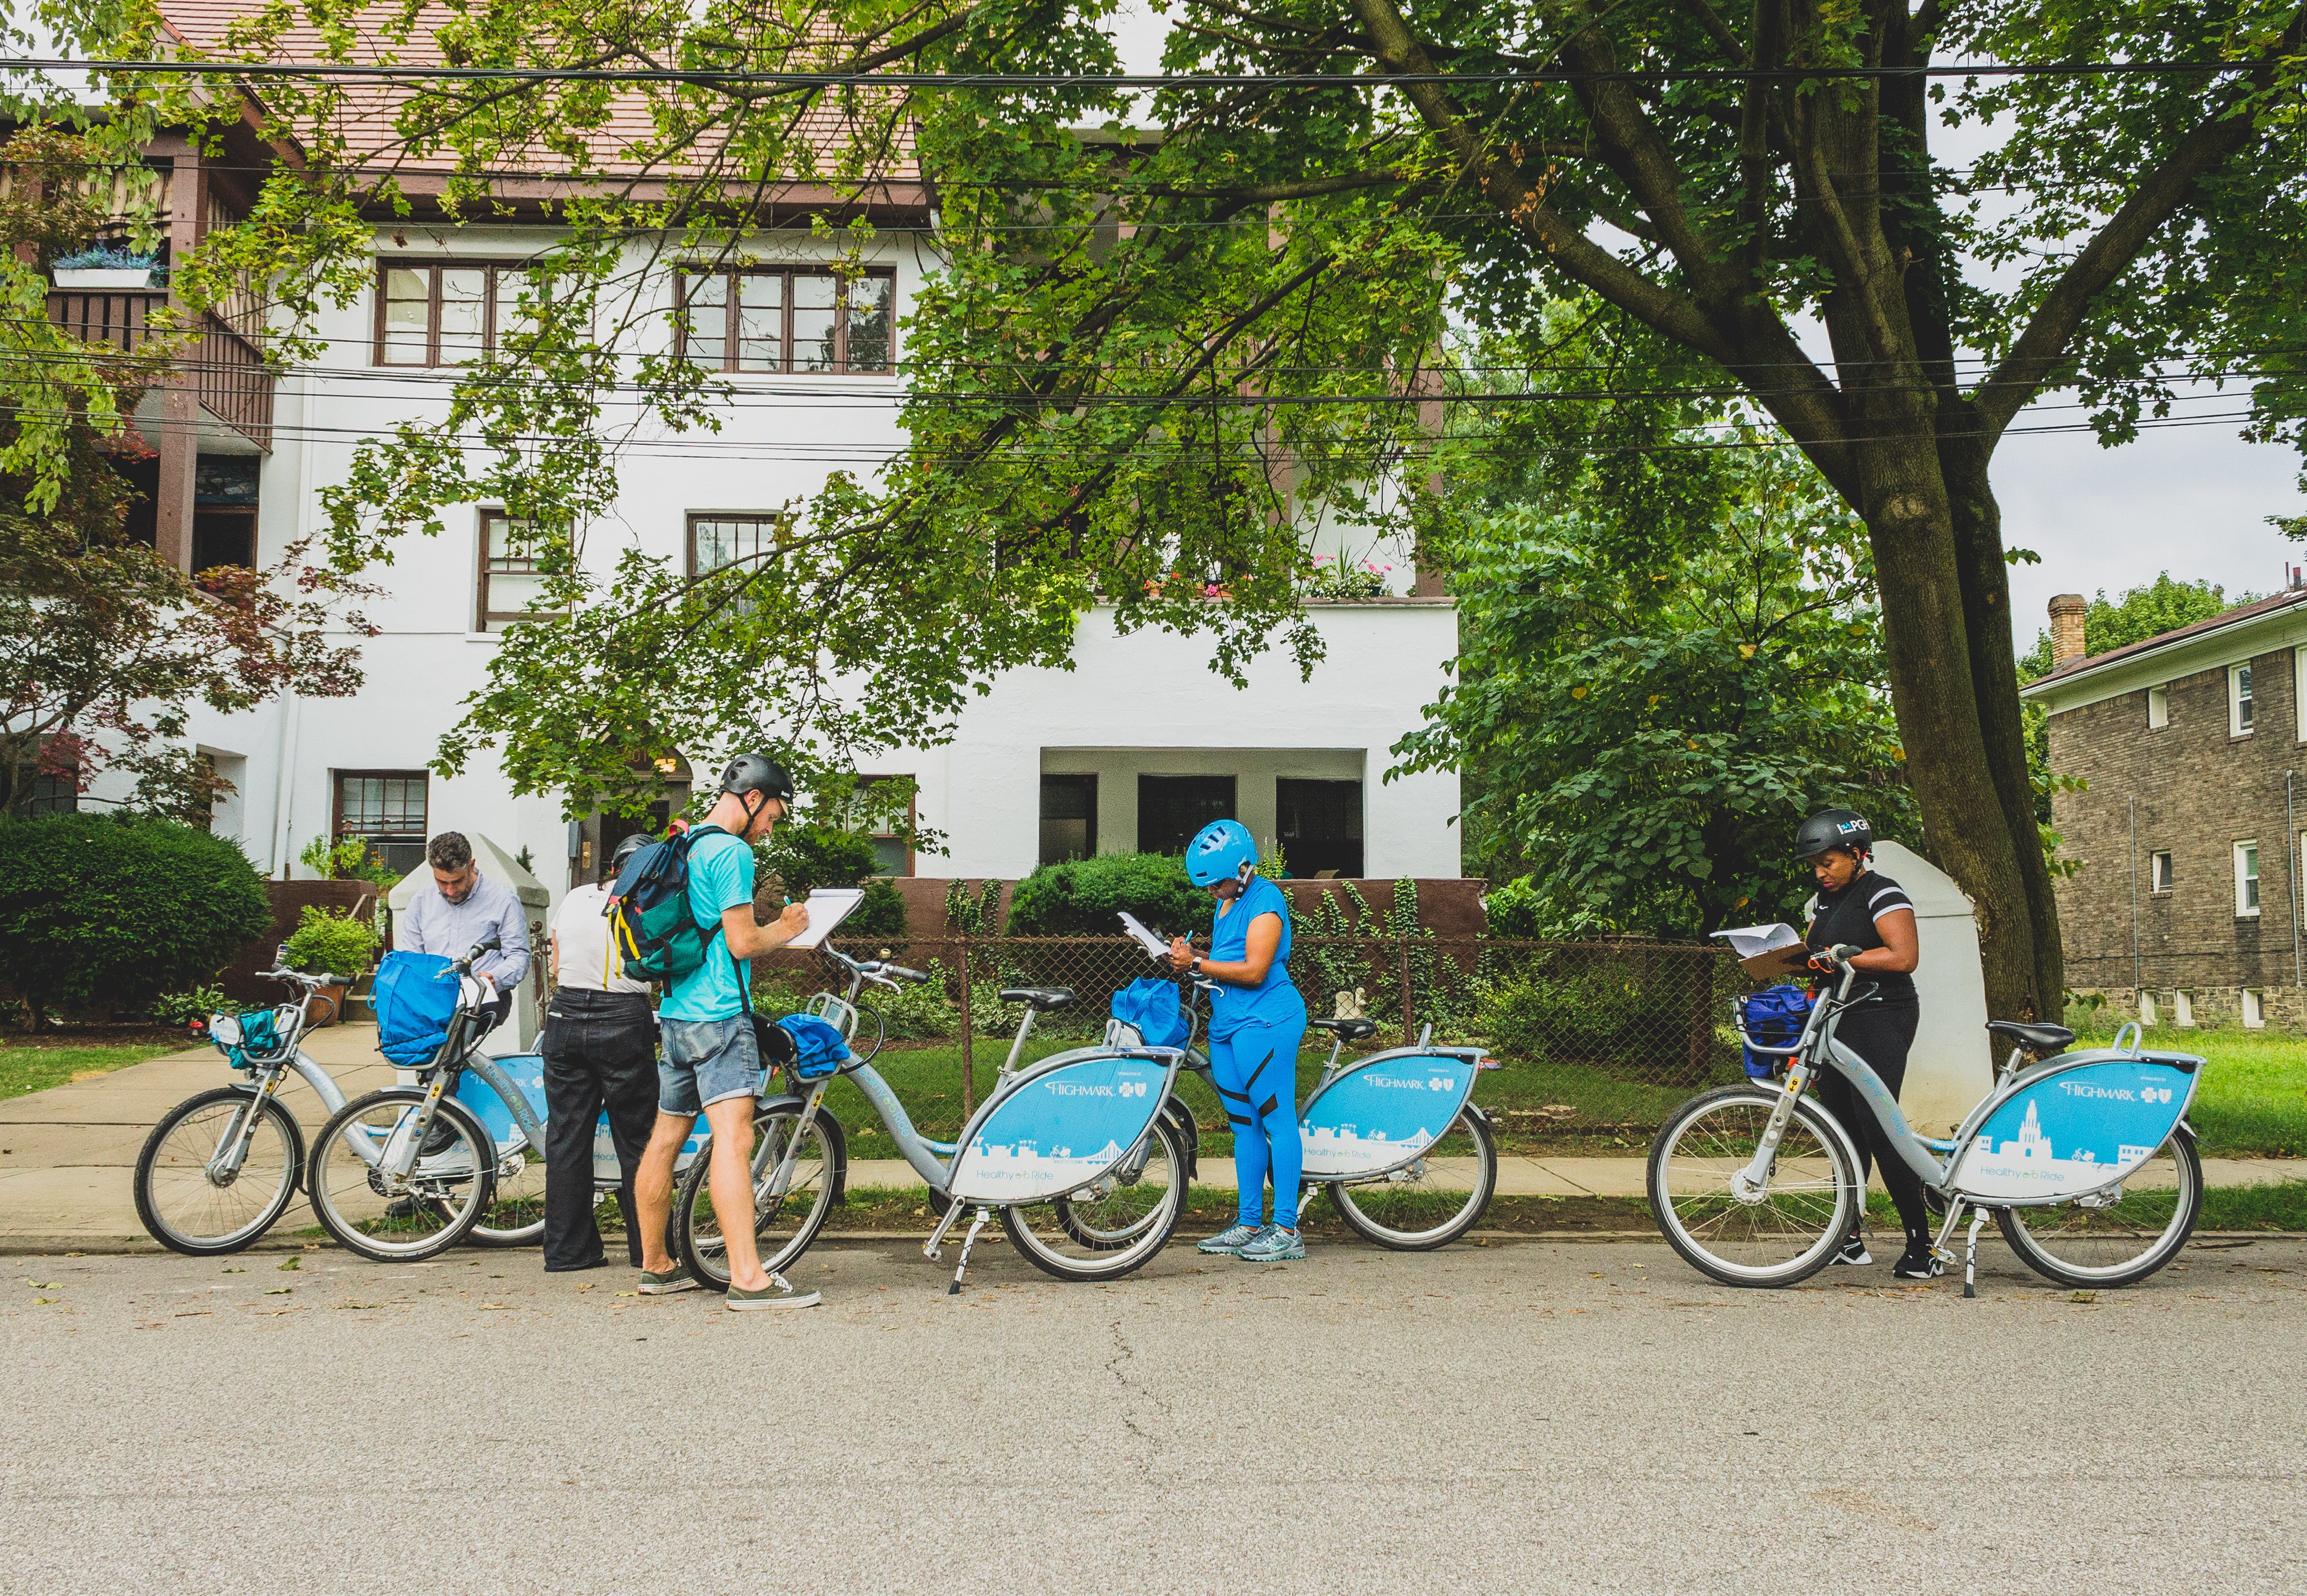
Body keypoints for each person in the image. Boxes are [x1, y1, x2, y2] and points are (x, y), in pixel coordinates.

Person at [630, 753, 816, 1310]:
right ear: (755, 797)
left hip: (677, 1015)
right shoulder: (731, 852)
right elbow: (740, 942)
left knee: (665, 1139)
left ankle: (656, 1266)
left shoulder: (683, 843)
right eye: (774, 817)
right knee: (735, 1142)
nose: (769, 829)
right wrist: (785, 928)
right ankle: (748, 1279)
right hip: (720, 1017)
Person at [1796, 808, 1936, 1280]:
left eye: (1827, 862)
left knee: (1880, 1127)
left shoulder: (1882, 892)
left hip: (1882, 1014)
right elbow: (1816, 956)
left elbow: (1903, 956)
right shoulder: (1822, 903)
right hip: (1837, 1016)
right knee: (1841, 1128)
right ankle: (1848, 1238)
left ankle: (1922, 1245)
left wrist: (1838, 960)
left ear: (1857, 854)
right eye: (1814, 865)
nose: (1820, 872)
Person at [1168, 820, 1310, 1263]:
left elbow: (1254, 970)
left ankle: (1286, 1228)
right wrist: (1191, 961)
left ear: (1242, 867)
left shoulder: (1266, 898)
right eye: (1207, 885)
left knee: (1275, 1119)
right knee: (1244, 1124)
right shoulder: (1227, 901)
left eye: (1216, 882)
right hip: (1228, 1023)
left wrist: (1199, 963)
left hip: (1266, 1019)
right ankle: (1250, 1222)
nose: (1211, 891)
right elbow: (1228, 959)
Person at [536, 832, 658, 1273]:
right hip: (623, 1015)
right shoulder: (650, 904)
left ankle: (569, 1250)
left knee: (566, 1137)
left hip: (566, 1014)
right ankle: (648, 1249)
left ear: (611, 869)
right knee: (637, 1138)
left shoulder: (574, 897)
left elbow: (555, 963)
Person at [395, 831, 530, 1049]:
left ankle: (438, 1079)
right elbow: (413, 960)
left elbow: (519, 956)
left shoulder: (504, 900)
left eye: (457, 881)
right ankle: (439, 1080)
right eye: (441, 882)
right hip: (435, 997)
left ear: (471, 864)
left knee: (447, 1045)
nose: (450, 890)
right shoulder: (420, 902)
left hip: (484, 995)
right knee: (412, 1042)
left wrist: (496, 978)